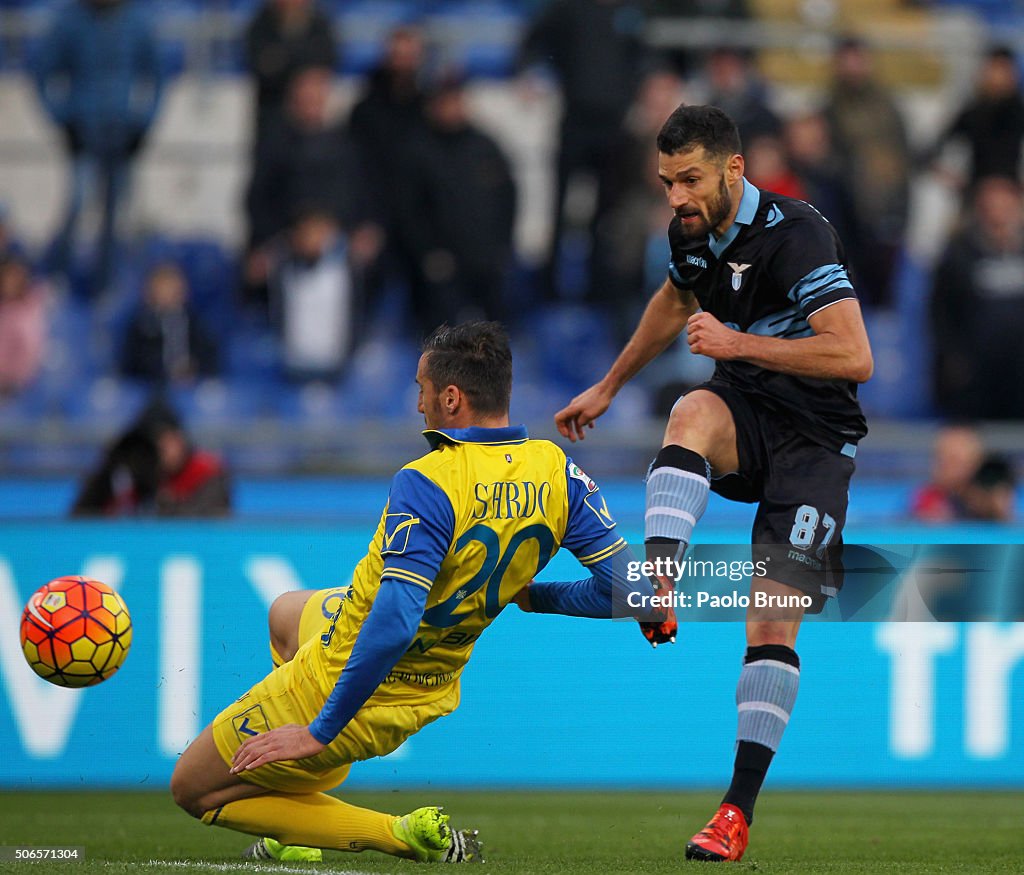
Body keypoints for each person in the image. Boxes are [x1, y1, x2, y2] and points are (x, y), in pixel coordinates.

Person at [170, 321, 657, 864]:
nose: (418, 405)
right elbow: (640, 597)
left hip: (344, 675)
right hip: (429, 687)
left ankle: (396, 833)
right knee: (286, 613)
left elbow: (396, 622)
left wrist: (319, 730)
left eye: (421, 391)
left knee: (193, 788)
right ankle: (305, 794)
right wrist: (532, 595)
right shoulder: (559, 471)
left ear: (452, 397)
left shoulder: (428, 480)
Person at [554, 104, 873, 861]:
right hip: (747, 416)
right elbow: (674, 300)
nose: (676, 196)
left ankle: (735, 810)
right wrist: (607, 385)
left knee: (769, 621)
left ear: (734, 168)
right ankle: (658, 581)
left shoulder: (798, 237)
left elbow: (855, 354)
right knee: (691, 406)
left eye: (689, 178)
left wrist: (737, 342)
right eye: (666, 181)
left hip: (815, 444)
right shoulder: (692, 235)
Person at [32, 0, 165, 298]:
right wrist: (62, 119)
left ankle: (107, 288)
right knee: (78, 204)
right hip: (84, 129)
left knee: (116, 213)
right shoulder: (69, 21)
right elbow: (40, 71)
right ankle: (57, 284)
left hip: (121, 131)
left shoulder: (136, 21)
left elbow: (158, 75)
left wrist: (144, 124)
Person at [400, 74, 517, 333]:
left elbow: (508, 198)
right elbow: (409, 211)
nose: (451, 108)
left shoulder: (485, 146)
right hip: (442, 268)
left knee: (493, 343)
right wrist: (428, 253)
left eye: (456, 100)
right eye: (444, 102)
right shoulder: (418, 151)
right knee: (441, 347)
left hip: (485, 264)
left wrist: (502, 247)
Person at [823, 36, 910, 308]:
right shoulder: (829, 107)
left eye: (856, 59)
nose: (852, 67)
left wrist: (900, 210)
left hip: (882, 211)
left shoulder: (887, 107)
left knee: (884, 295)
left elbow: (903, 161)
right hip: (844, 215)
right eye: (846, 60)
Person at [930, 175, 1024, 419]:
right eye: (991, 206)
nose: (998, 214)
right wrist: (953, 360)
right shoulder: (958, 255)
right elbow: (940, 313)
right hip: (975, 375)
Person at [71, 399, 231, 517]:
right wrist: (108, 469)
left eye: (164, 440)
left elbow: (205, 522)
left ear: (180, 438)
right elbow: (81, 516)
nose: (158, 451)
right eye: (152, 443)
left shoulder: (207, 472)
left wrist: (157, 499)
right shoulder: (133, 476)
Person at [244, 0, 338, 148]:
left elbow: (327, 60)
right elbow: (261, 67)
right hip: (272, 113)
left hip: (309, 122)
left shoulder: (319, 24)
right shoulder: (261, 25)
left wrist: (283, 58)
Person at [120, 263, 219, 384]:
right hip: (153, 387)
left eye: (172, 288)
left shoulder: (195, 321)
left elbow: (208, 354)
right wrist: (167, 372)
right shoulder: (141, 324)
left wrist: (193, 369)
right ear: (151, 291)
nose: (168, 294)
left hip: (192, 384)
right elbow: (134, 362)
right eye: (163, 287)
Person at [910, 424, 984, 522]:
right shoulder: (927, 500)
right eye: (941, 459)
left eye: (956, 461)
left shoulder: (990, 500)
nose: (947, 467)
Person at [0, 253, 49, 398]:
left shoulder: (30, 312)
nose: (9, 282)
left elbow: (29, 356)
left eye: (15, 277)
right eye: (6, 277)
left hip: (14, 386)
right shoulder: (5, 309)